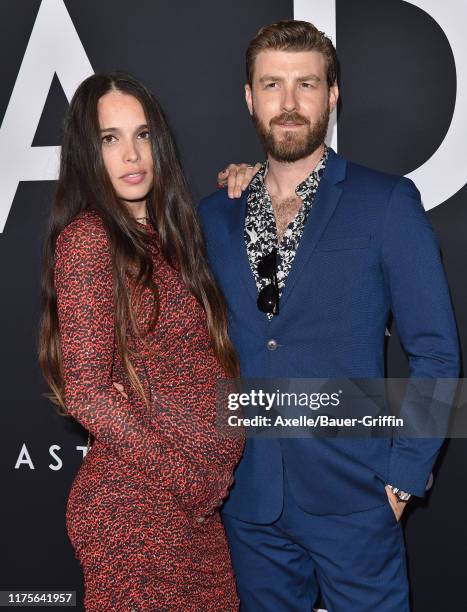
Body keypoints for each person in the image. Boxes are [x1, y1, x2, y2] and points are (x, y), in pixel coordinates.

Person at [199, 20, 460, 611]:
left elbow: (437, 353)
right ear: (248, 97)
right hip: (249, 502)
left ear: (332, 94)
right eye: (272, 85)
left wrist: (403, 478)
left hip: (357, 496)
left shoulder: (386, 203)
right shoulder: (215, 215)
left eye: (306, 85)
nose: (289, 104)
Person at [38, 72, 244, 611]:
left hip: (192, 512)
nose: (131, 154)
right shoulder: (89, 239)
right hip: (137, 513)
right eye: (110, 138)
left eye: (143, 134)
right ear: (89, 152)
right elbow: (86, 392)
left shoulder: (171, 237)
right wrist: (189, 478)